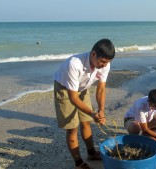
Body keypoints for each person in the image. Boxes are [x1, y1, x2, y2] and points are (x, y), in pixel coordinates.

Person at [54, 39, 115, 169]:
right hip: (65, 89)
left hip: (82, 87)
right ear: (93, 54)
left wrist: (101, 110)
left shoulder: (105, 64)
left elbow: (101, 89)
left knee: (86, 121)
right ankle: (78, 163)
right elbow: (73, 98)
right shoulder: (74, 64)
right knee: (72, 128)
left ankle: (91, 153)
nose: (105, 65)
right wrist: (93, 113)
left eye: (107, 62)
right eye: (103, 62)